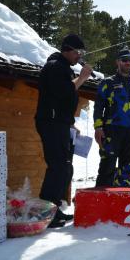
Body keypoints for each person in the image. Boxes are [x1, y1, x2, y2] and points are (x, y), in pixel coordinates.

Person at [35, 33, 93, 227]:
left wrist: (69, 122)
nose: (80, 56)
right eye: (78, 52)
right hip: (50, 123)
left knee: (65, 168)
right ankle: (46, 212)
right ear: (68, 49)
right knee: (58, 167)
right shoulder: (54, 67)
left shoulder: (64, 68)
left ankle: (54, 208)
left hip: (59, 123)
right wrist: (83, 77)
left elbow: (62, 102)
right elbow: (65, 92)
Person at [93, 47, 130, 187]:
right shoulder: (107, 82)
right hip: (111, 130)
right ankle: (101, 201)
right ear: (117, 62)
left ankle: (122, 201)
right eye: (124, 60)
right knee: (108, 166)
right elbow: (98, 107)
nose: (128, 63)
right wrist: (98, 127)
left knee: (127, 168)